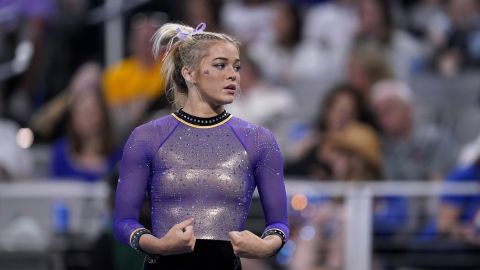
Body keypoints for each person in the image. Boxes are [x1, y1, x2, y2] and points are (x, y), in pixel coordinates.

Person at [113, 22, 289, 269]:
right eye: (220, 65)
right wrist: (159, 245)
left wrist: (266, 245)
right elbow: (123, 222)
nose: (233, 75)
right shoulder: (147, 137)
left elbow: (279, 223)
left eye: (236, 67)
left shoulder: (259, 140)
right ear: (189, 73)